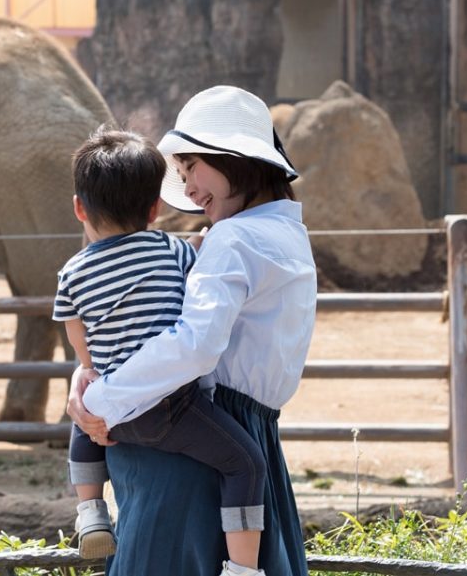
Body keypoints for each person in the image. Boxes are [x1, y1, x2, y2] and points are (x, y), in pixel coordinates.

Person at [68, 86, 317, 576]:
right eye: (181, 176)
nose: (191, 190)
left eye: (192, 170)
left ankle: (88, 511)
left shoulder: (234, 237)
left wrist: (100, 394)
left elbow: (194, 343)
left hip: (190, 440)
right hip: (248, 434)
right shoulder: (287, 234)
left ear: (233, 159)